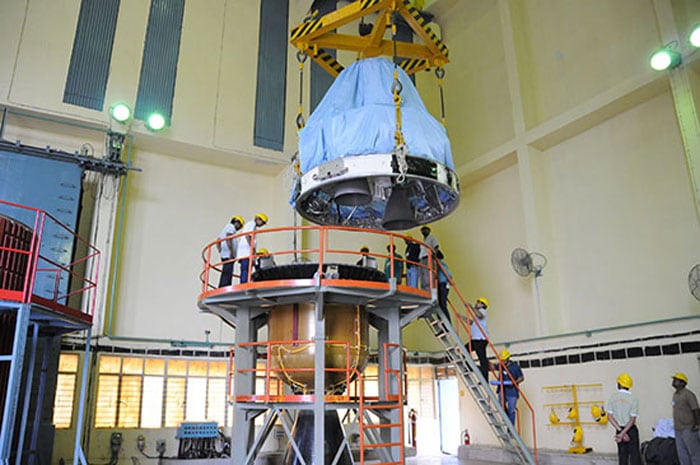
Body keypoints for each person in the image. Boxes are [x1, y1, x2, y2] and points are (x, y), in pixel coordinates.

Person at [606, 373, 641, 465]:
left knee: (622, 457)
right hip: (631, 430)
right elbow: (632, 419)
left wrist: (620, 432)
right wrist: (624, 433)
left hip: (619, 429)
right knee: (634, 457)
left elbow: (609, 417)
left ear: (621, 384)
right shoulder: (633, 399)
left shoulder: (613, 397)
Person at [671, 372, 700, 465]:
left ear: (682, 383)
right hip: (678, 429)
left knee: (694, 453)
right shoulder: (675, 395)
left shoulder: (688, 394)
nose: (673, 381)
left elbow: (696, 409)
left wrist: (697, 424)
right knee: (682, 454)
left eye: (676, 380)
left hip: (688, 428)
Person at [236, 213, 268, 283]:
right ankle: (244, 284)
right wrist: (252, 248)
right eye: (262, 222)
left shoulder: (251, 225)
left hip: (246, 253)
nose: (262, 225)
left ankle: (244, 283)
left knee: (246, 270)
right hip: (246, 253)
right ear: (258, 219)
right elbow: (248, 236)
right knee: (245, 270)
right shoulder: (252, 224)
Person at [496, 349, 524, 425]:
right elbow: (493, 366)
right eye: (501, 360)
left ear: (508, 359)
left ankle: (510, 427)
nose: (503, 362)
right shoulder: (500, 365)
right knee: (501, 405)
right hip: (502, 389)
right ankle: (506, 419)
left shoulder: (515, 367)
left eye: (504, 360)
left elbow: (521, 378)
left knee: (511, 410)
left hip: (512, 392)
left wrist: (514, 382)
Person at [465, 297, 490, 380]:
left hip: (480, 340)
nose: (476, 303)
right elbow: (472, 323)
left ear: (483, 305)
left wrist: (471, 307)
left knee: (482, 359)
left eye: (478, 302)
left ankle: (485, 378)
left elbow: (479, 316)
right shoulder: (478, 314)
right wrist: (462, 317)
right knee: (465, 349)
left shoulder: (482, 311)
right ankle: (470, 366)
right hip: (475, 339)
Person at [216, 215, 244, 287]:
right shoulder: (231, 227)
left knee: (226, 270)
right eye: (240, 226)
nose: (239, 228)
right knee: (228, 271)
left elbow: (218, 240)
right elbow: (228, 237)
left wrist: (220, 250)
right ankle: (225, 285)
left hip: (224, 254)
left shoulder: (225, 228)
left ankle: (223, 285)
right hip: (228, 254)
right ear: (237, 222)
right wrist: (230, 251)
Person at [418, 225, 439, 289]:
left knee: (428, 277)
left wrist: (433, 256)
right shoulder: (423, 241)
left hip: (428, 258)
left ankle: (429, 291)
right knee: (422, 277)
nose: (424, 231)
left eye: (426, 229)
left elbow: (436, 247)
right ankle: (424, 291)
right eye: (423, 230)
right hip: (421, 259)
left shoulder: (432, 238)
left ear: (429, 230)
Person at [435, 250, 452, 323]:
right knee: (439, 304)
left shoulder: (441, 263)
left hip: (443, 284)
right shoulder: (436, 264)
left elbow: (448, 274)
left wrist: (449, 281)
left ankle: (447, 323)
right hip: (440, 284)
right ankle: (442, 322)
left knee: (442, 304)